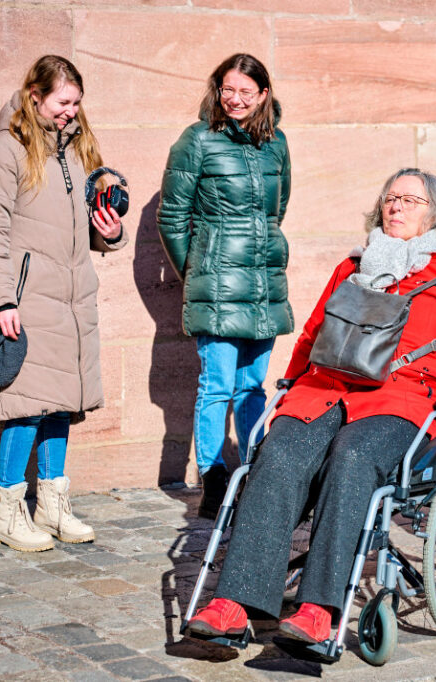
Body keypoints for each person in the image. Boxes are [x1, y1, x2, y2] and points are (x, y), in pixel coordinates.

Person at [183, 169, 436, 644]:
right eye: (390, 198)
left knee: (354, 456)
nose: (396, 206)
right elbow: (313, 334)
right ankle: (234, 603)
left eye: (409, 200)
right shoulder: (353, 268)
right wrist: (290, 386)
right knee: (278, 454)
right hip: (323, 393)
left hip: (404, 403)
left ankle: (319, 609)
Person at [0, 55, 127, 552]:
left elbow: (87, 224)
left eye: (77, 101)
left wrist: (111, 232)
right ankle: (7, 513)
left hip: (73, 296)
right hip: (26, 298)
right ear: (35, 97)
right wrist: (1, 300)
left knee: (62, 402)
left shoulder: (79, 151)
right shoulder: (4, 152)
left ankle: (53, 505)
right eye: (63, 102)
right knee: (24, 405)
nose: (71, 111)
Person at [157, 53, 293, 519]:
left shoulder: (276, 144)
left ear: (263, 95)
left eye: (245, 92)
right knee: (216, 386)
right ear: (217, 90)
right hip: (216, 283)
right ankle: (214, 480)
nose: (235, 99)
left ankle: (253, 472)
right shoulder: (196, 141)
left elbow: (276, 211)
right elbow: (172, 217)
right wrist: (197, 270)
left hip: (263, 284)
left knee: (253, 386)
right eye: (227, 90)